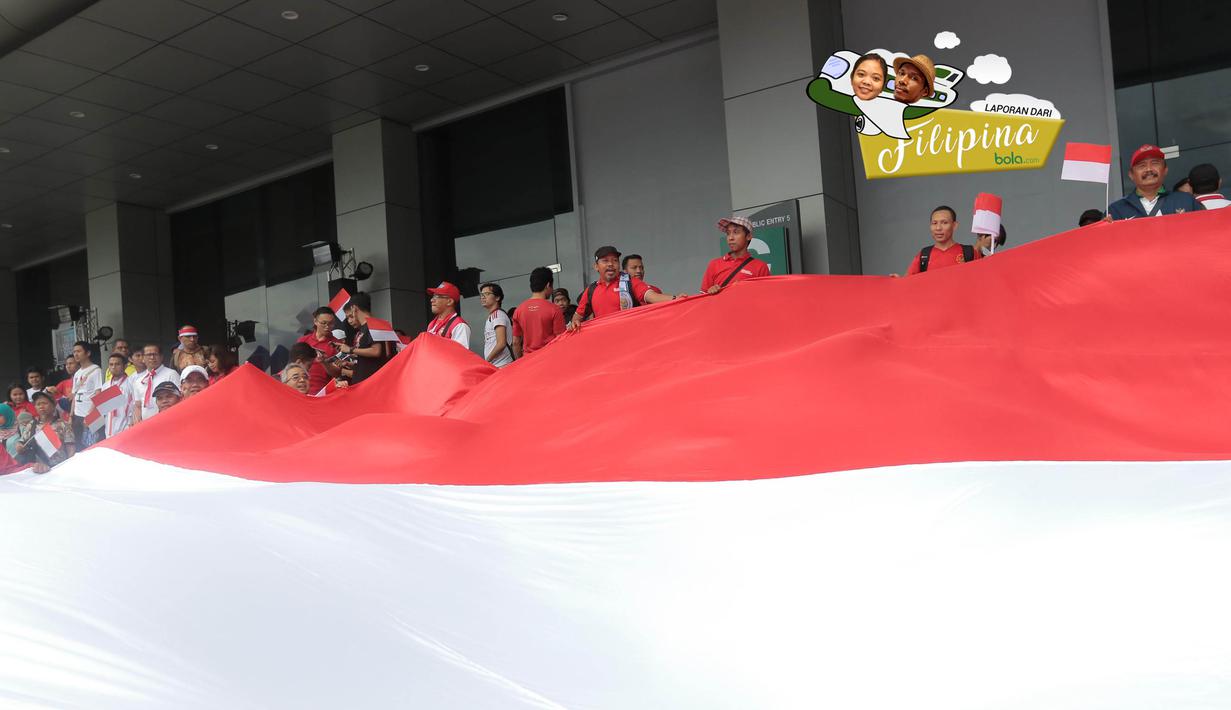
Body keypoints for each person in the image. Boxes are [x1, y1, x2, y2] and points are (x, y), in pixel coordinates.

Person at [572, 246, 679, 328]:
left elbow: (651, 296)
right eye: (605, 261)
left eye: (614, 260)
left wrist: (675, 299)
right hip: (605, 343)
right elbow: (578, 317)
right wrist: (575, 323)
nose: (610, 264)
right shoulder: (591, 290)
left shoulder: (630, 282)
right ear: (596, 266)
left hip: (631, 341)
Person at [1107, 145, 1203, 220]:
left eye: (1155, 163)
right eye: (1142, 165)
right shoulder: (1116, 210)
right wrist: (1105, 229)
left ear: (1165, 170)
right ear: (1131, 175)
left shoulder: (1186, 201)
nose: (1149, 169)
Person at [701, 216, 772, 293]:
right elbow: (702, 297)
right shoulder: (714, 264)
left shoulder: (760, 267)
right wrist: (710, 292)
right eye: (728, 233)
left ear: (748, 236)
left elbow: (765, 297)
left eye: (736, 232)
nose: (730, 238)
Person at [905, 206, 980, 275]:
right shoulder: (924, 256)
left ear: (954, 225)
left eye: (944, 223)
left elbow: (982, 279)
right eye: (934, 223)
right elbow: (907, 283)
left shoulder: (969, 252)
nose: (938, 228)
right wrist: (896, 280)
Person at [336, 292, 391, 385]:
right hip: (363, 382)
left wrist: (350, 349)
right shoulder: (363, 329)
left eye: (350, 316)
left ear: (354, 308)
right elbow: (367, 361)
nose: (349, 320)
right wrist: (350, 364)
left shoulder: (374, 325)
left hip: (373, 384)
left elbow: (376, 351)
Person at [512, 266, 566, 358]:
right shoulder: (554, 309)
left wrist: (520, 361)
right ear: (548, 285)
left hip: (528, 361)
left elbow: (516, 342)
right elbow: (561, 340)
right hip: (549, 359)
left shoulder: (519, 310)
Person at [16, 391, 75, 473]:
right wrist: (19, 447)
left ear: (53, 406)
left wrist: (69, 467)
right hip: (38, 469)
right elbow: (21, 442)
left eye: (44, 403)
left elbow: (70, 448)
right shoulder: (31, 425)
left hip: (59, 468)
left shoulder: (63, 425)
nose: (41, 406)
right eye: (38, 404)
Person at [129, 344, 180, 424]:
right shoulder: (139, 381)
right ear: (143, 358)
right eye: (149, 355)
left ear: (161, 357)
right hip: (147, 426)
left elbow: (180, 399)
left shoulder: (171, 374)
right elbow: (138, 406)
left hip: (168, 422)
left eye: (155, 354)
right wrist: (137, 423)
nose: (152, 358)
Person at [69, 341, 104, 447]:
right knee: (80, 445)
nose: (76, 354)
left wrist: (90, 414)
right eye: (74, 352)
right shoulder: (77, 373)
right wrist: (71, 415)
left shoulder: (96, 370)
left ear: (87, 353)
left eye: (79, 351)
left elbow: (99, 393)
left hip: (92, 414)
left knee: (94, 444)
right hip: (78, 415)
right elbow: (75, 394)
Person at [424, 282, 471, 348]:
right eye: (433, 296)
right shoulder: (432, 324)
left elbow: (460, 355)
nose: (432, 300)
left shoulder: (459, 325)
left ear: (449, 301)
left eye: (437, 296)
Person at [479, 283, 514, 367]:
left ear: (497, 297)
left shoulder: (498, 315)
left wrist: (486, 361)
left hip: (502, 365)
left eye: (487, 294)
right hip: (498, 365)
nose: (483, 297)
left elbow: (501, 343)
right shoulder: (494, 315)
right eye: (482, 294)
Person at [102, 353, 131, 440]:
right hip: (109, 432)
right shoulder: (105, 385)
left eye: (117, 364)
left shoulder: (131, 383)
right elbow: (102, 411)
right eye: (111, 364)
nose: (114, 367)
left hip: (126, 431)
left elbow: (134, 409)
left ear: (125, 366)